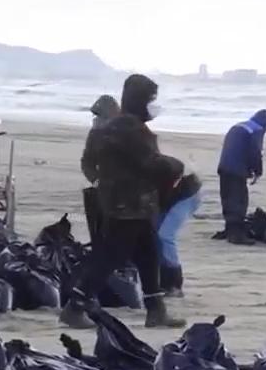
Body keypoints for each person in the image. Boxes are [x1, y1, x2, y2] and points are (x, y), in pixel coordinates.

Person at [60, 74, 186, 330]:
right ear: (140, 100)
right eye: (151, 99)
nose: (154, 105)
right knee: (111, 255)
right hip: (129, 204)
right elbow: (151, 163)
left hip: (127, 202)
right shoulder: (131, 130)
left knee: (148, 254)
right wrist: (177, 165)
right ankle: (75, 307)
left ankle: (155, 310)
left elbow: (98, 159)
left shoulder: (113, 127)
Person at [217, 109, 266, 245]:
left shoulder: (238, 126)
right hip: (237, 170)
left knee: (227, 198)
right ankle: (236, 236)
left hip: (224, 167)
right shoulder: (256, 130)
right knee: (239, 201)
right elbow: (255, 152)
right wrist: (257, 171)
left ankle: (229, 230)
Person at [80, 95, 120, 246]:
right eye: (95, 116)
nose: (96, 120)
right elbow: (87, 161)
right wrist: (95, 179)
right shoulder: (95, 134)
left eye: (100, 116)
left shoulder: (128, 132)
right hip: (103, 185)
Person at [157, 173, 202, 297]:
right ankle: (162, 281)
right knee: (153, 235)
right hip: (166, 197)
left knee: (164, 235)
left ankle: (174, 282)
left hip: (187, 195)